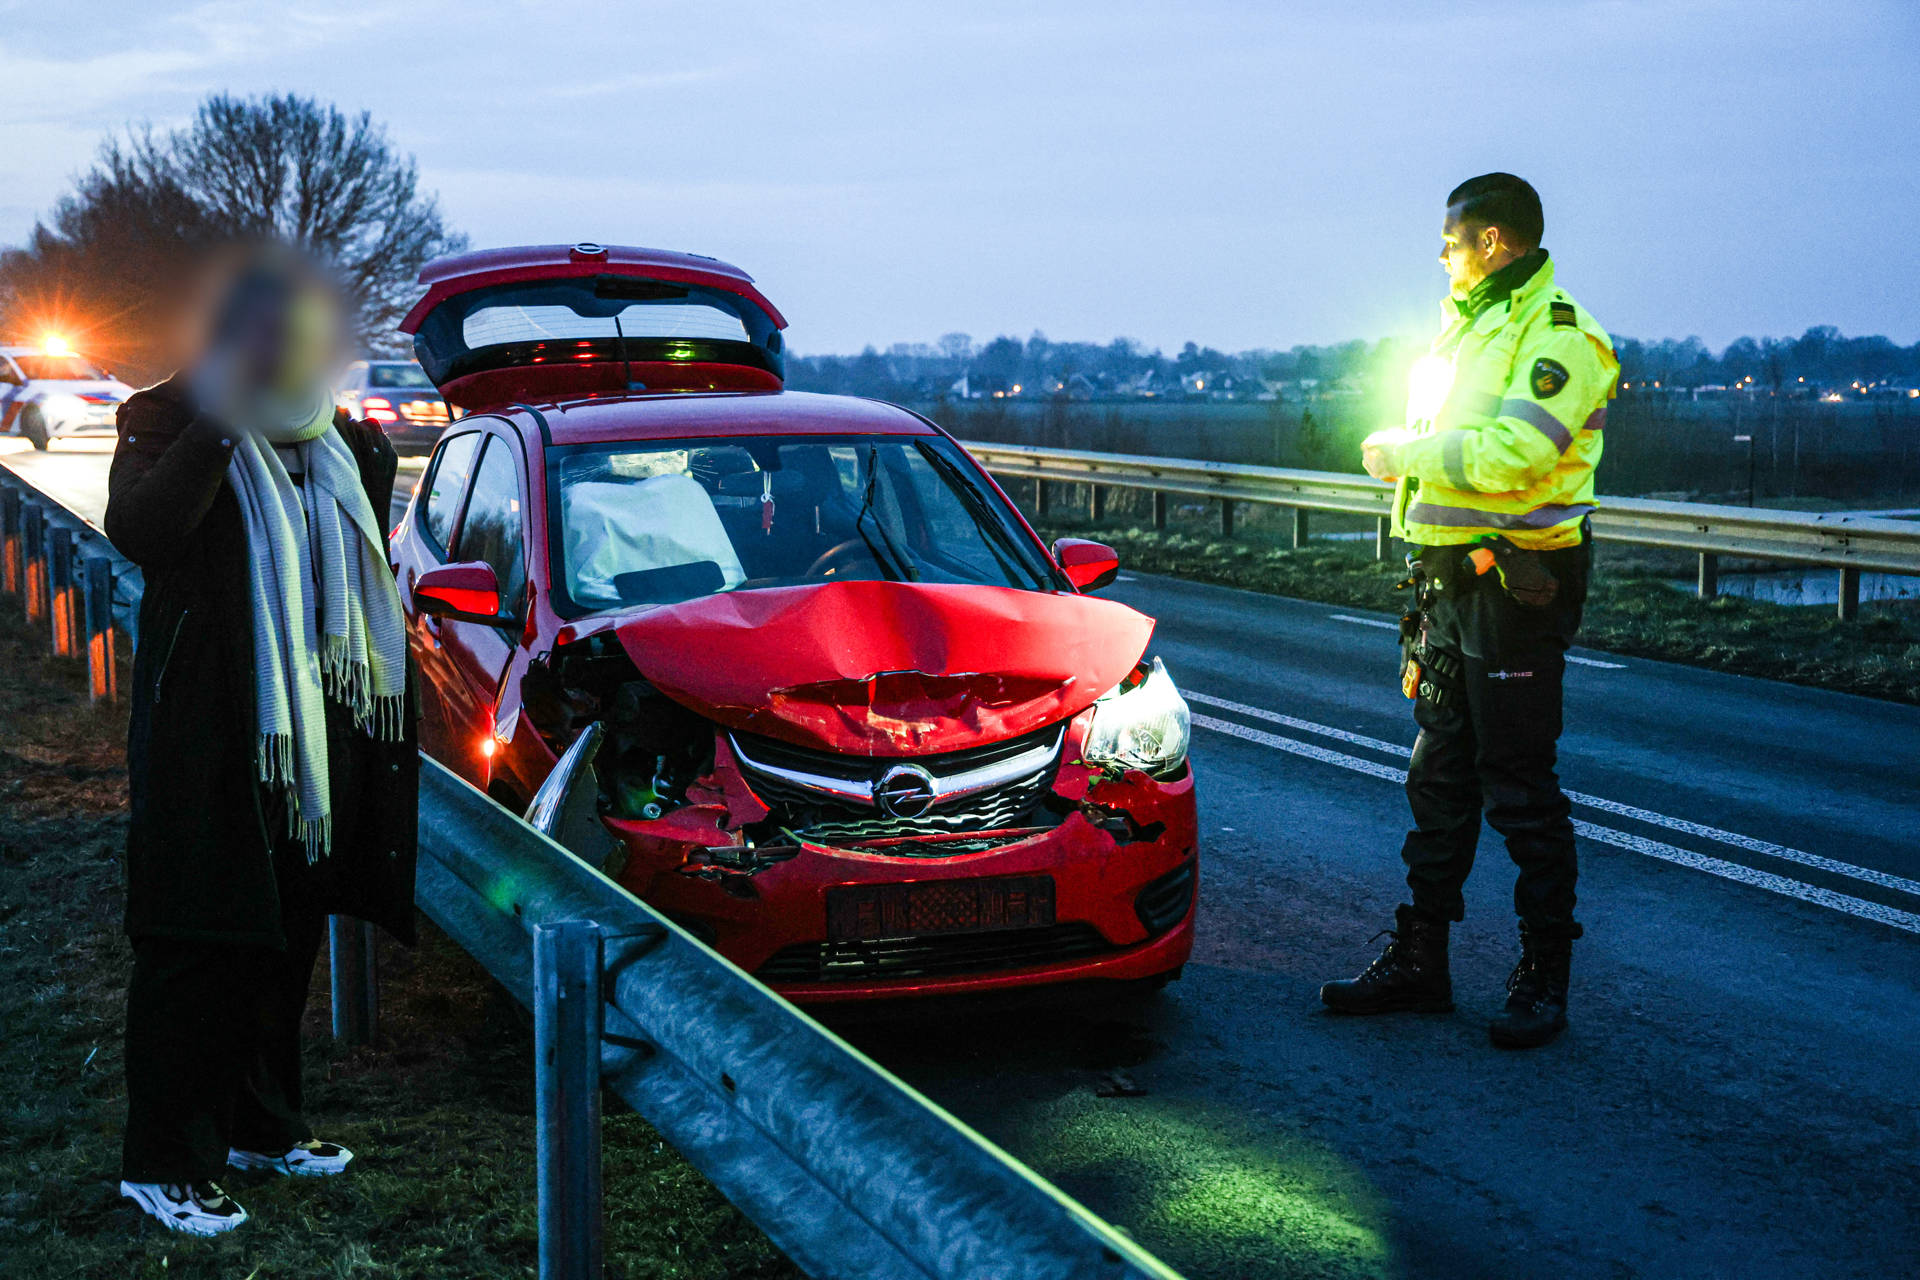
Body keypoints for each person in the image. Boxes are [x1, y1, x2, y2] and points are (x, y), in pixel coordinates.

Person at [105, 247, 420, 1234]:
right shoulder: (163, 420)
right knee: (195, 948)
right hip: (210, 736)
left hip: (312, 746)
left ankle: (263, 1126)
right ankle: (162, 1160)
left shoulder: (338, 438)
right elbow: (145, 530)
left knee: (284, 939)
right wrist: (221, 417)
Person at [1320, 174, 1616, 1049]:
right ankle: (1422, 960)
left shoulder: (1558, 335)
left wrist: (1407, 451)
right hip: (1447, 582)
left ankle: (1542, 979)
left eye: (1450, 241)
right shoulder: (1473, 327)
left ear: (1492, 240)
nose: (1440, 256)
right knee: (1438, 777)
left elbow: (1520, 454)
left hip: (1513, 590)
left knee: (1519, 786)